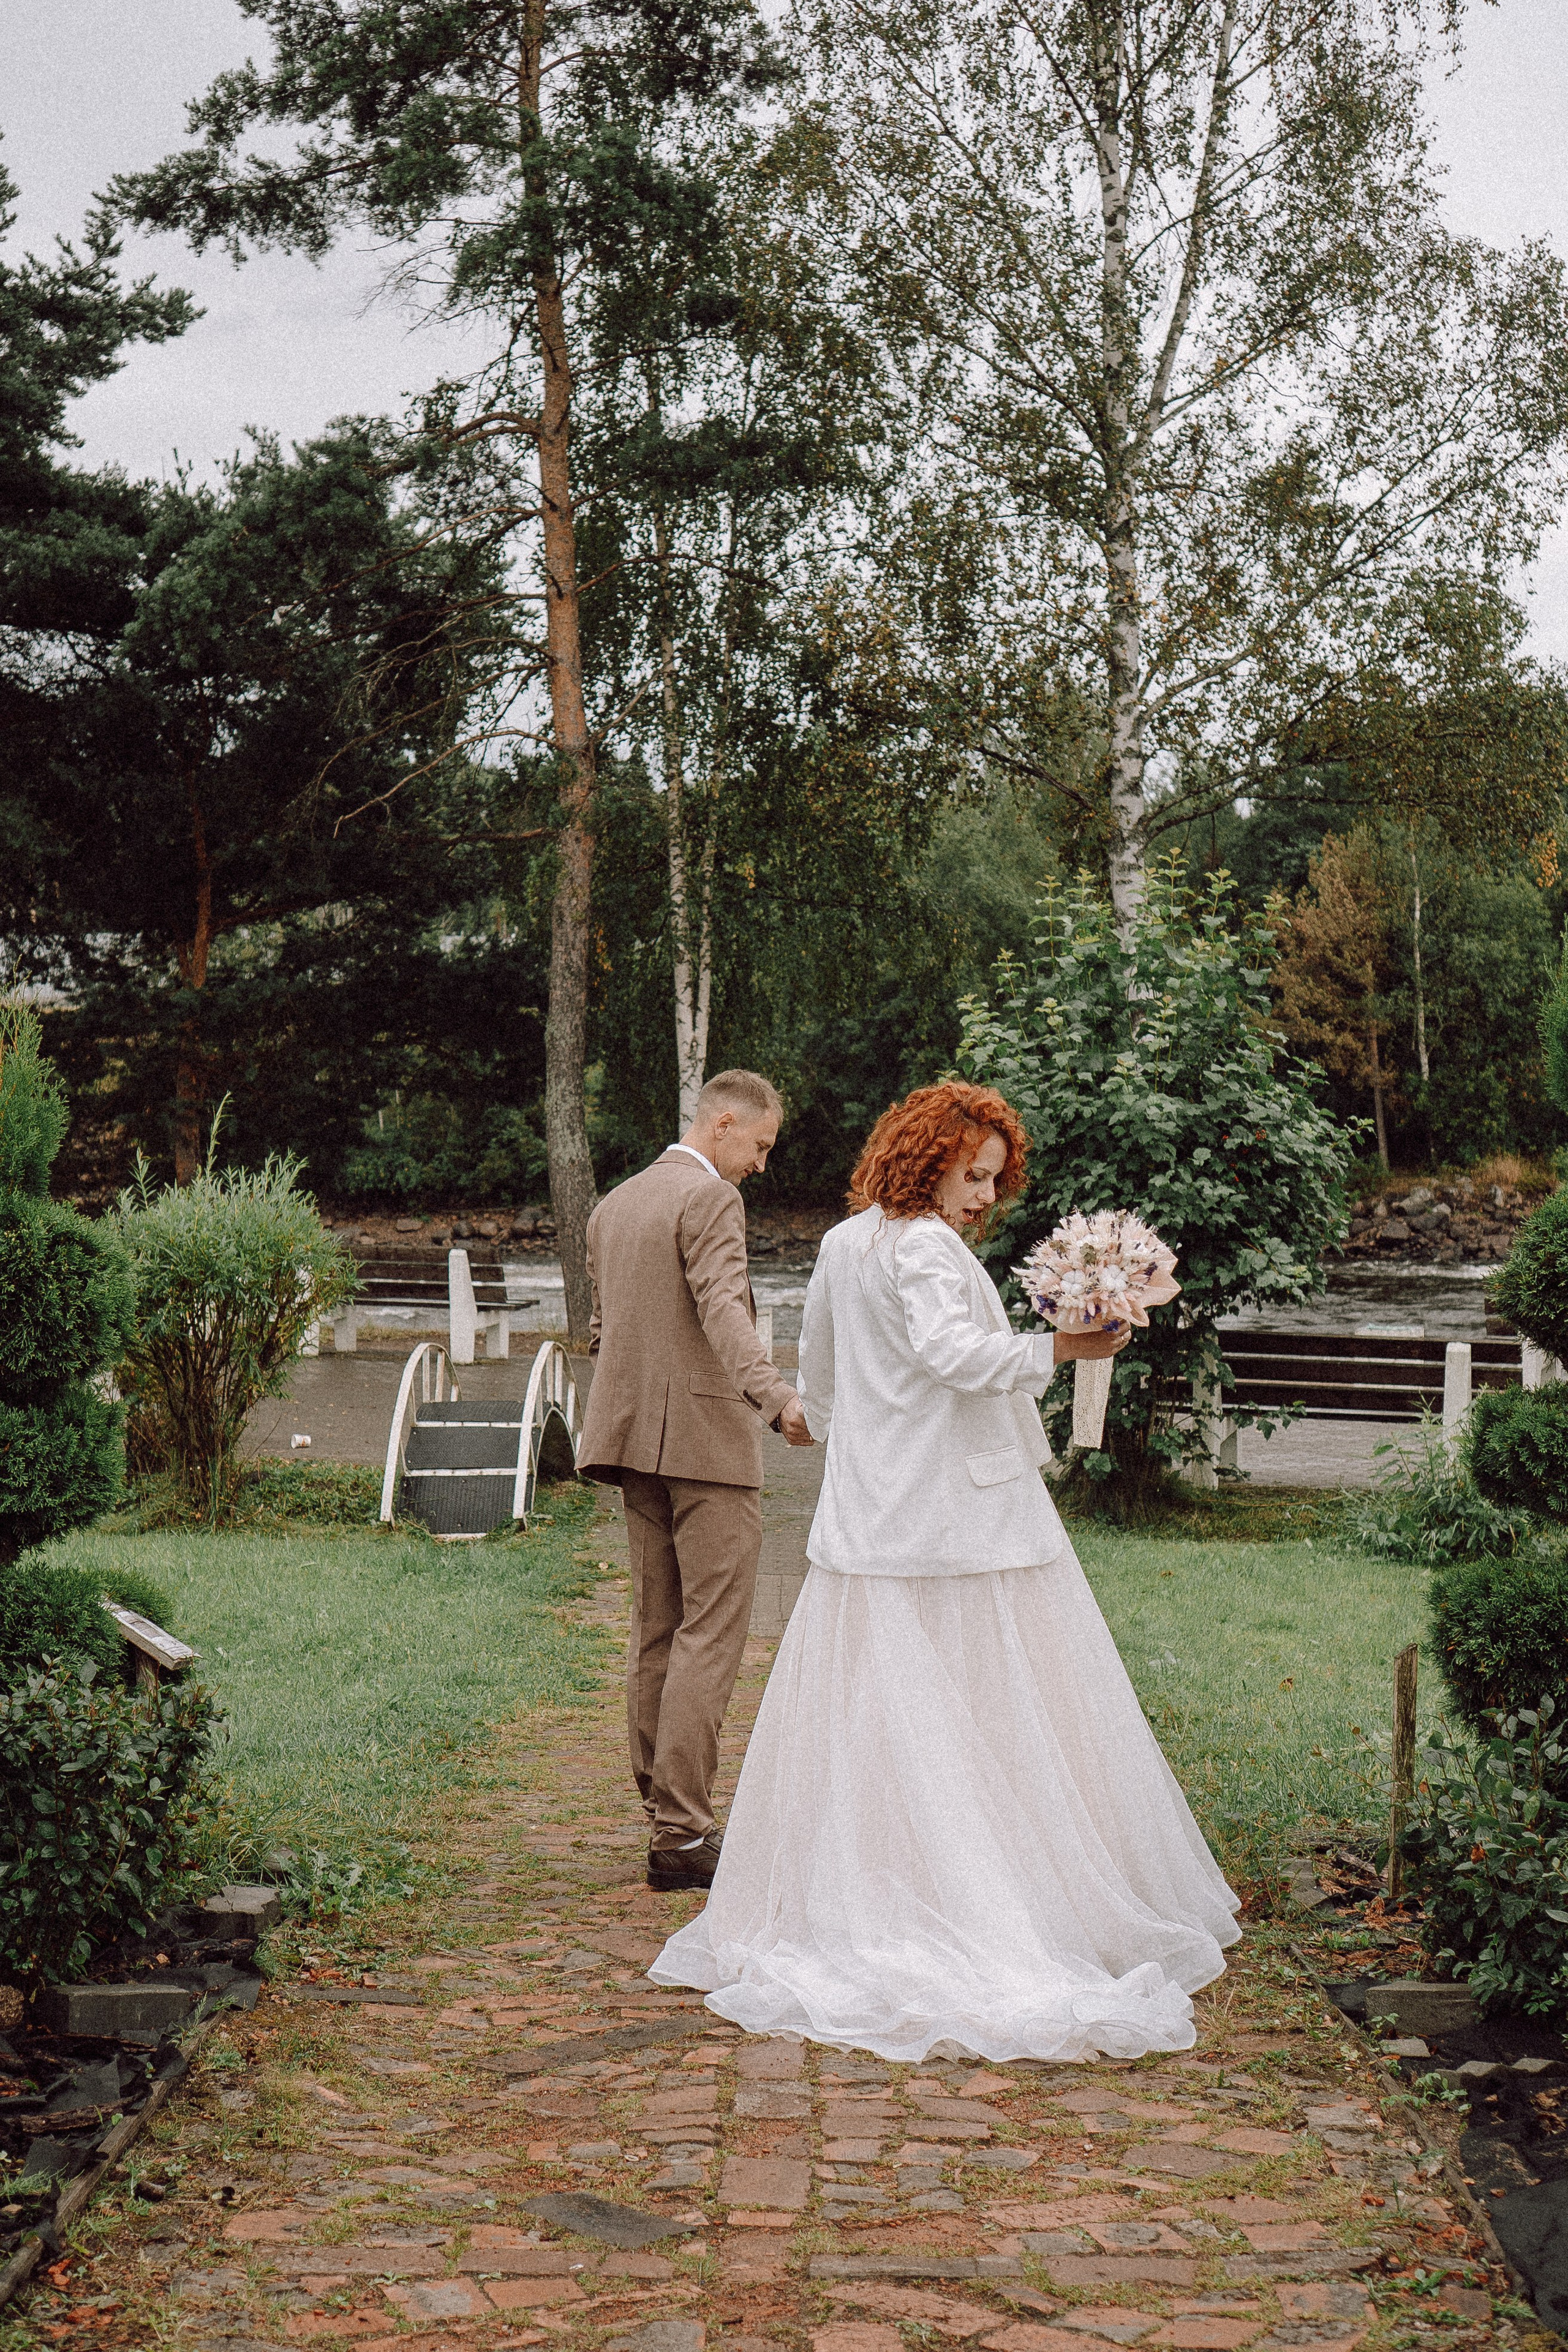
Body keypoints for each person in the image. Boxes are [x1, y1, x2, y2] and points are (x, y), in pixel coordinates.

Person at [650, 1079, 1240, 2059]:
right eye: (973, 1176)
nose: (982, 1198)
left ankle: (887, 1877)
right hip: (966, 1513)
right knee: (995, 1697)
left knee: (885, 1711)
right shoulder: (922, 1246)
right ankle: (987, 1890)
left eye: (994, 1181)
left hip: (873, 1515)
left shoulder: (845, 1244)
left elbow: (826, 1380)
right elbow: (956, 1355)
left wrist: (838, 1449)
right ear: (928, 1158)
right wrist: (1064, 1344)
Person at [578, 1068, 814, 1894]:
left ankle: (665, 1819)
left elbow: (605, 1332)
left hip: (631, 1444)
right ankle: (681, 1834)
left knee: (656, 1630)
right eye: (760, 1144)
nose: (761, 1163)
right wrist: (776, 1395)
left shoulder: (614, 1205)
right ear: (722, 1124)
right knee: (710, 1634)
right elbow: (725, 1310)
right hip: (709, 1447)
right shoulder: (711, 1200)